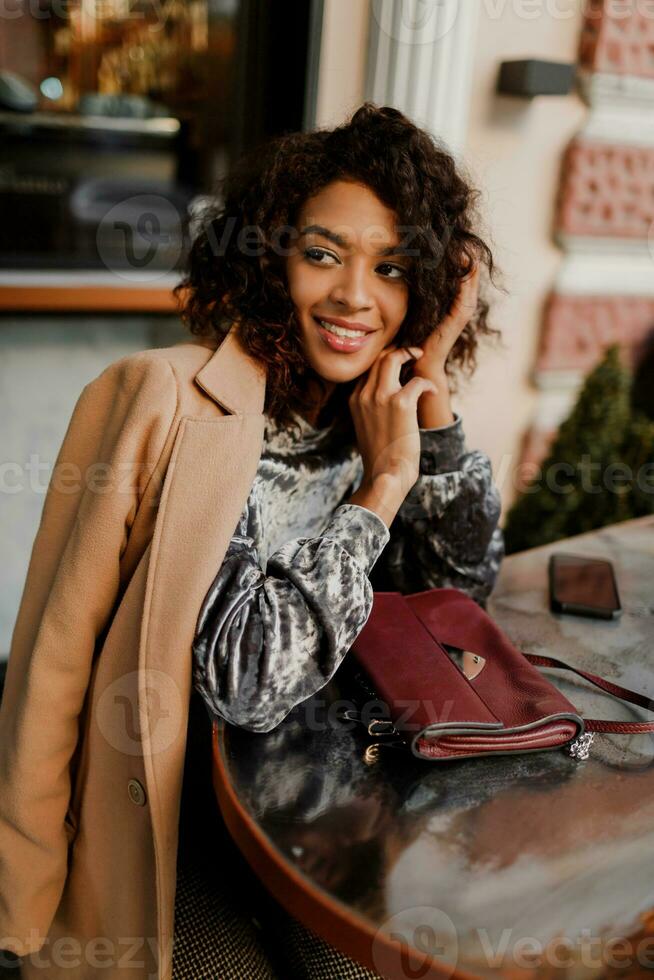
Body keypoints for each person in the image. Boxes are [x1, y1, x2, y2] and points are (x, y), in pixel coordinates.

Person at [0, 102, 504, 980]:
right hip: (170, 823)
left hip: (318, 809)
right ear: (271, 258)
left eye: (391, 268)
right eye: (322, 254)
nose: (354, 295)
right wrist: (23, 884)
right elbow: (221, 677)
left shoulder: (376, 417)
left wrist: (435, 399)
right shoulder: (168, 403)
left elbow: (463, 597)